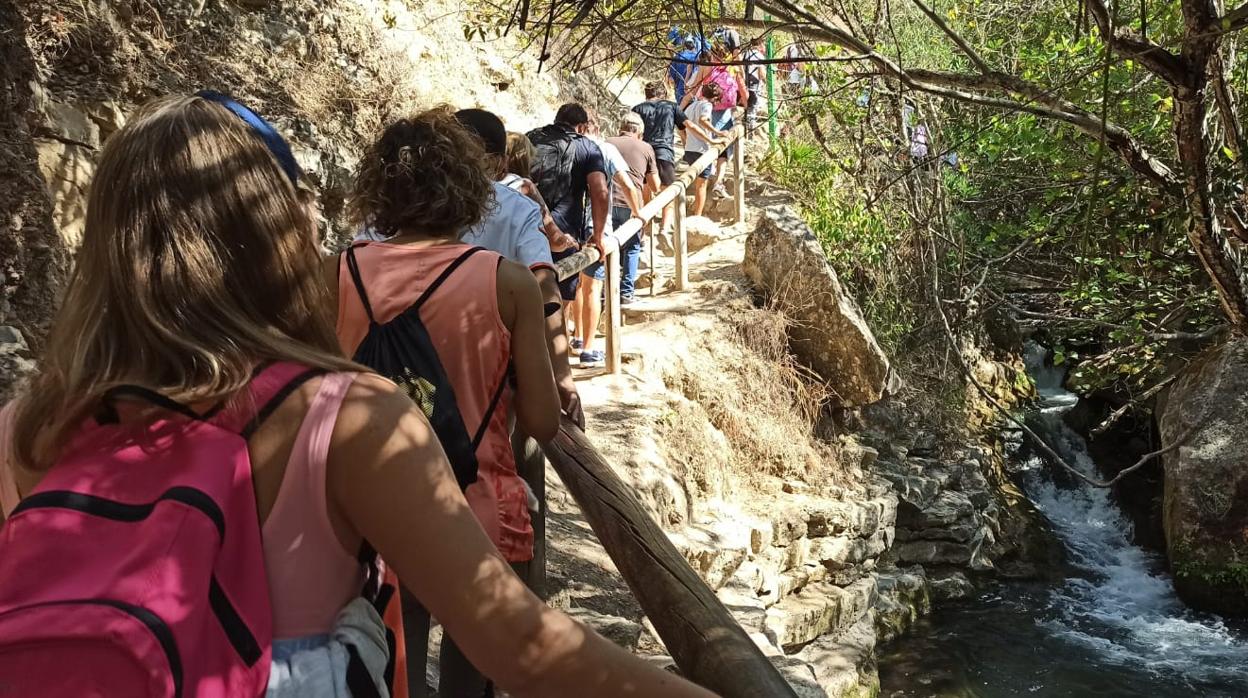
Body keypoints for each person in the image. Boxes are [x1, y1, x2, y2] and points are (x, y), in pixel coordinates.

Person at [0, 93, 714, 698]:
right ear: (277, 230)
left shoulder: (24, 431)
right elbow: (519, 643)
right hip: (474, 501)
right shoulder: (348, 420)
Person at [453, 109, 583, 430]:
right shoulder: (517, 205)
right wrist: (562, 375)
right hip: (486, 364)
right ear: (499, 163)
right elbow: (544, 285)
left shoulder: (402, 203)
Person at [569, 118, 641, 365]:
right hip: (595, 226)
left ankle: (577, 336)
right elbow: (627, 185)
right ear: (595, 128)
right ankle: (588, 349)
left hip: (568, 226)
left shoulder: (568, 147)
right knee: (592, 287)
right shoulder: (604, 149)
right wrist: (638, 213)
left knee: (576, 284)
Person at [526, 104, 610, 311]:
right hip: (565, 233)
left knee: (525, 295)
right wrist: (598, 235)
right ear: (581, 127)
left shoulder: (531, 138)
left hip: (526, 226)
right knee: (558, 302)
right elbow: (600, 192)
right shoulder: (587, 147)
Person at [633, 81, 718, 236]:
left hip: (643, 152)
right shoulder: (671, 106)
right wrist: (711, 140)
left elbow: (634, 133)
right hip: (664, 152)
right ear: (663, 93)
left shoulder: (638, 109)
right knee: (668, 190)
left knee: (646, 187)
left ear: (647, 94)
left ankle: (647, 224)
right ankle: (664, 227)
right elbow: (689, 126)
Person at [681, 30, 747, 201]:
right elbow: (742, 88)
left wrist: (680, 109)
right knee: (725, 148)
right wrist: (748, 107)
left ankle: (703, 180)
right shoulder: (734, 67)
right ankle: (717, 181)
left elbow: (693, 89)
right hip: (724, 112)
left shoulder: (706, 67)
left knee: (706, 145)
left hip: (707, 108)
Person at [605, 113, 659, 305]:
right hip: (632, 203)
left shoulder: (606, 143)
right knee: (632, 247)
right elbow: (655, 185)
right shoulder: (646, 148)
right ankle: (626, 292)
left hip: (607, 202)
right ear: (639, 132)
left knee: (607, 246)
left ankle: (604, 291)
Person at [682, 82, 729, 217]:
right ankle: (697, 215)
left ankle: (696, 211)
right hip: (701, 149)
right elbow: (703, 120)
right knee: (701, 185)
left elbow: (683, 125)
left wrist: (686, 140)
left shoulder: (691, 106)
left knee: (698, 182)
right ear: (715, 98)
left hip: (690, 149)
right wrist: (717, 134)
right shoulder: (706, 105)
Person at [741, 37, 765, 136]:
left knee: (746, 107)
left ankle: (745, 129)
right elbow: (762, 74)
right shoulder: (759, 56)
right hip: (755, 84)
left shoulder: (745, 54)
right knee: (753, 108)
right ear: (760, 45)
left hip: (745, 83)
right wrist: (764, 81)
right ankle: (751, 132)